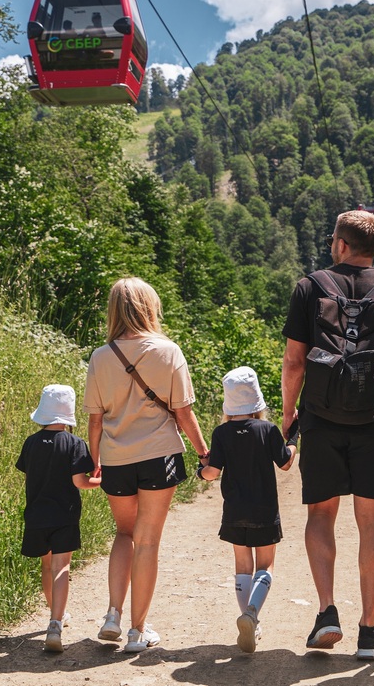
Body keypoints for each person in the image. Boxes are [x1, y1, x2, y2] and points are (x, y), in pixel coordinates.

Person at [281, 209, 374, 660]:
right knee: (373, 524)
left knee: (320, 517)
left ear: (340, 244)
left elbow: (294, 363)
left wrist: (290, 418)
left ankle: (326, 612)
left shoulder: (309, 288)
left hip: (321, 420)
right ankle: (368, 630)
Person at [85, 277, 209, 653]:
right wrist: (204, 453)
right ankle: (138, 632)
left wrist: (96, 463)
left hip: (117, 459)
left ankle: (112, 615)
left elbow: (94, 419)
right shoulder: (168, 351)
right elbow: (183, 412)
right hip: (159, 456)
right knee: (149, 540)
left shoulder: (100, 356)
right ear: (148, 307)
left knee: (124, 534)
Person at [198, 366, 297, 653]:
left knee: (243, 567)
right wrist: (293, 440)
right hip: (264, 510)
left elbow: (212, 473)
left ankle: (250, 619)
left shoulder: (221, 433)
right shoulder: (266, 429)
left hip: (234, 510)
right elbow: (286, 463)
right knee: (265, 566)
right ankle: (251, 614)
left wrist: (199, 470)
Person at [16, 384, 102, 653]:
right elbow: (80, 482)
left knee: (46, 566)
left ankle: (56, 616)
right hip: (64, 515)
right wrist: (99, 480)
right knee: (61, 567)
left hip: (36, 515)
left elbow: (30, 476)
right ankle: (55, 623)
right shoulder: (75, 443)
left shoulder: (30, 443)